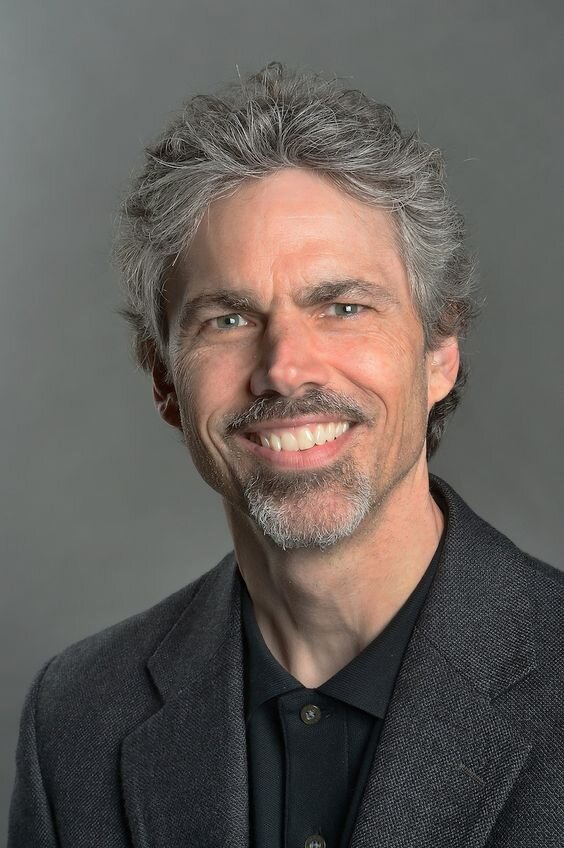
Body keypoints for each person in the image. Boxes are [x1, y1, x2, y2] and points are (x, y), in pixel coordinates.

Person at [8, 62, 563, 848]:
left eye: (343, 307)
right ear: (164, 382)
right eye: (228, 319)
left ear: (440, 352)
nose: (285, 368)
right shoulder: (76, 718)